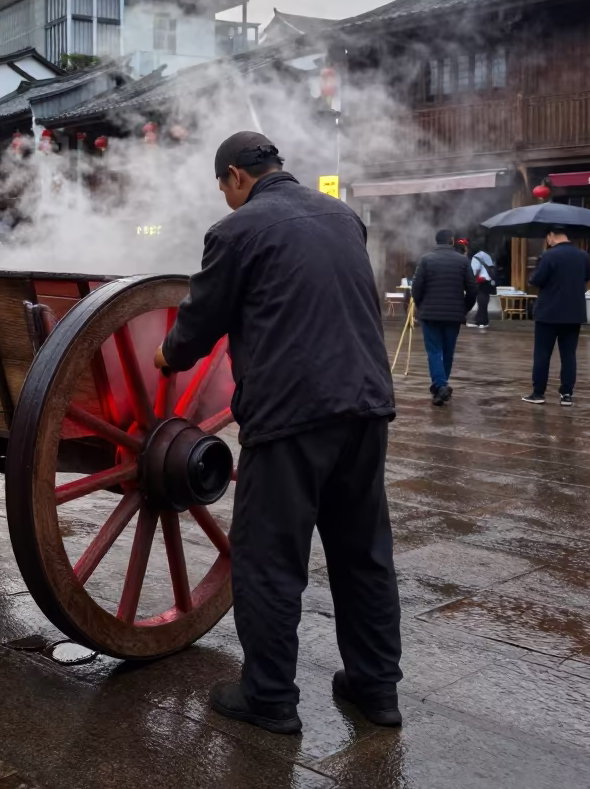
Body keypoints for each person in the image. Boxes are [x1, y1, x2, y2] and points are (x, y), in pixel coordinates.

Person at [153, 132, 401, 735]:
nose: (225, 196)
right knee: (364, 553)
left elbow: (199, 322)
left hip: (291, 412)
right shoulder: (343, 217)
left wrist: (166, 355)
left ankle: (267, 696)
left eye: (223, 186)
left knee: (268, 558)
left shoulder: (236, 231)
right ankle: (376, 691)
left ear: (236, 176)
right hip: (366, 404)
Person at [522, 227, 590, 406]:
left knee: (542, 354)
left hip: (548, 313)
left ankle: (538, 393)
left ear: (552, 235)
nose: (547, 241)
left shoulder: (549, 256)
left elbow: (536, 280)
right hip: (574, 313)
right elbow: (586, 277)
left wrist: (538, 266)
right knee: (569, 354)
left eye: (547, 237)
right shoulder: (583, 256)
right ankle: (567, 394)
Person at [411, 230, 476, 406]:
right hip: (453, 315)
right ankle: (441, 387)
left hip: (430, 314)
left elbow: (416, 287)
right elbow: (472, 289)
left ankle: (440, 386)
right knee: (448, 351)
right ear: (452, 241)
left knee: (434, 351)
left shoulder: (426, 260)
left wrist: (421, 305)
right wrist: (464, 309)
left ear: (436, 241)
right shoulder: (463, 261)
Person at [468, 247, 497, 330]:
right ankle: (483, 320)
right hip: (488, 281)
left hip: (481, 281)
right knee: (485, 301)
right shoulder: (486, 255)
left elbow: (474, 271)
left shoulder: (476, 257)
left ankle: (481, 321)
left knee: (481, 301)